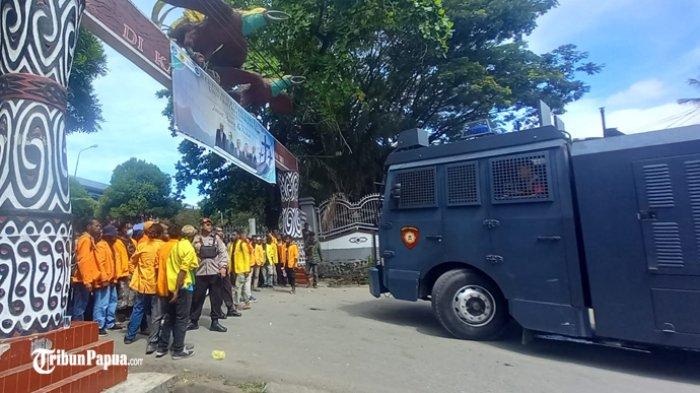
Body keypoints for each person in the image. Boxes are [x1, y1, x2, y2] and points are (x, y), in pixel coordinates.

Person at [157, 225, 199, 360]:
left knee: (170, 317)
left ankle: (162, 347)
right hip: (182, 287)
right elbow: (183, 270)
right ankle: (178, 350)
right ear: (192, 236)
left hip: (172, 285)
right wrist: (176, 290)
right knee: (182, 319)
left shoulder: (177, 246)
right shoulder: (188, 248)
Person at [125, 223, 164, 344]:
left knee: (138, 309)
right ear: (160, 234)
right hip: (156, 283)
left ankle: (129, 336)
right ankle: (154, 337)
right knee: (155, 312)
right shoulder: (162, 246)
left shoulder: (142, 245)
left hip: (142, 283)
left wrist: (134, 273)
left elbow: (132, 261)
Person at [189, 218, 229, 332]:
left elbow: (223, 252)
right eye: (206, 224)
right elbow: (190, 252)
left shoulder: (216, 239)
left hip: (214, 272)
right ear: (201, 225)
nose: (209, 226)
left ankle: (215, 322)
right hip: (200, 272)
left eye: (210, 224)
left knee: (216, 298)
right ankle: (193, 321)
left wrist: (223, 267)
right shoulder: (195, 239)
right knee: (197, 298)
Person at [148, 223, 178, 354]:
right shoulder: (178, 247)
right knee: (174, 316)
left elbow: (155, 267)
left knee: (156, 316)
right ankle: (174, 344)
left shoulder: (161, 248)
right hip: (174, 288)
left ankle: (152, 343)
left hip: (160, 286)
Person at [70, 220, 102, 321]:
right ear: (89, 226)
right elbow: (83, 261)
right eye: (96, 226)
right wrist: (87, 281)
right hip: (82, 280)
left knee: (81, 307)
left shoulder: (89, 239)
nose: (99, 228)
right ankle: (77, 332)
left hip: (84, 279)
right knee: (79, 309)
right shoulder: (85, 240)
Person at [93, 225, 119, 335]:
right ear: (108, 236)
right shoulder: (101, 246)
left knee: (113, 301)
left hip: (111, 279)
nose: (116, 238)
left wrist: (114, 277)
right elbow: (100, 264)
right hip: (104, 280)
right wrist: (104, 278)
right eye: (114, 236)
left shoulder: (109, 246)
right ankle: (98, 325)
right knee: (101, 303)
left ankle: (110, 322)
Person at [233, 232, 252, 310]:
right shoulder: (236, 244)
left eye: (234, 235)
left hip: (242, 270)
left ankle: (236, 304)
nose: (232, 236)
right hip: (238, 269)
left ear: (239, 235)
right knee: (242, 287)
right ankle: (247, 302)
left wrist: (247, 270)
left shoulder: (242, 244)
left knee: (238, 287)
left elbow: (247, 257)